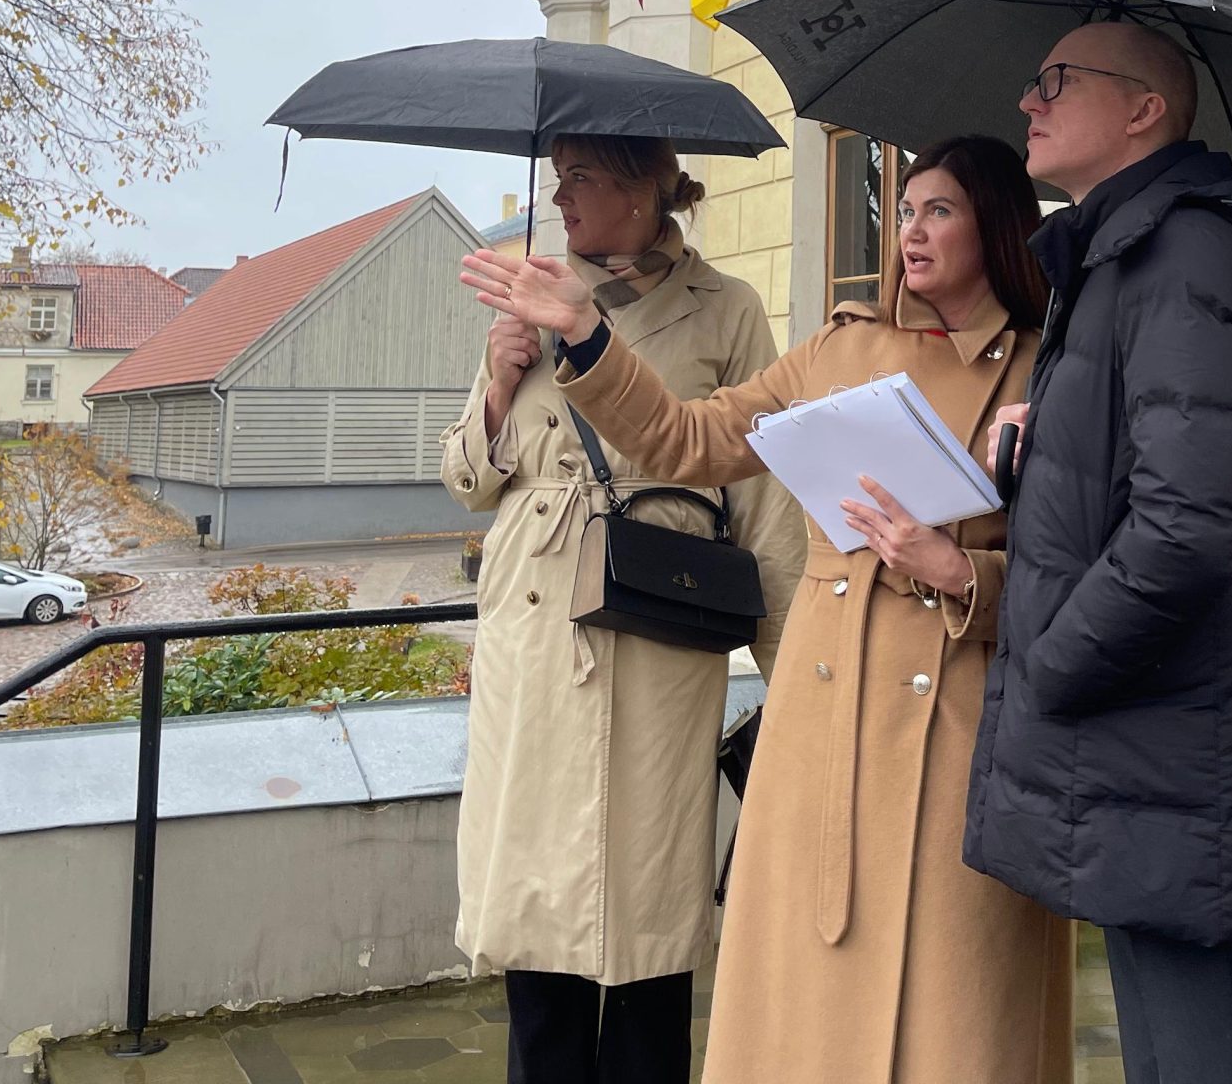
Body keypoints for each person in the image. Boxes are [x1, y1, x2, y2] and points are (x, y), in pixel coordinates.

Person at [459, 136, 1071, 1084]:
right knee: (802, 997)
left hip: (954, 716)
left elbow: (1077, 574)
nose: (910, 231)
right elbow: (687, 439)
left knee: (951, 1002)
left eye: (940, 211)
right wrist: (584, 332)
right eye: (906, 209)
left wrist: (961, 572)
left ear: (995, 226)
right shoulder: (839, 347)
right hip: (824, 714)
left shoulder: (1047, 374)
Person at [963, 19, 1232, 1084]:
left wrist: (1055, 666)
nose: (1028, 101)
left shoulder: (1177, 253)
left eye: (1056, 79)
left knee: (1207, 1056)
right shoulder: (1123, 254)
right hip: (1153, 744)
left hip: (1174, 744)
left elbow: (1189, 528)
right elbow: (1150, 483)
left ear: (1143, 109)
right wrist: (1043, 449)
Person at [440, 134, 805, 1084]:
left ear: (643, 190)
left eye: (582, 180)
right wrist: (498, 382)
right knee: (536, 906)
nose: (561, 200)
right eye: (557, 180)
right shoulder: (529, 295)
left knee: (648, 904)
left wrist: (799, 676)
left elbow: (763, 496)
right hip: (533, 630)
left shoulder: (725, 307)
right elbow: (467, 481)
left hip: (657, 630)